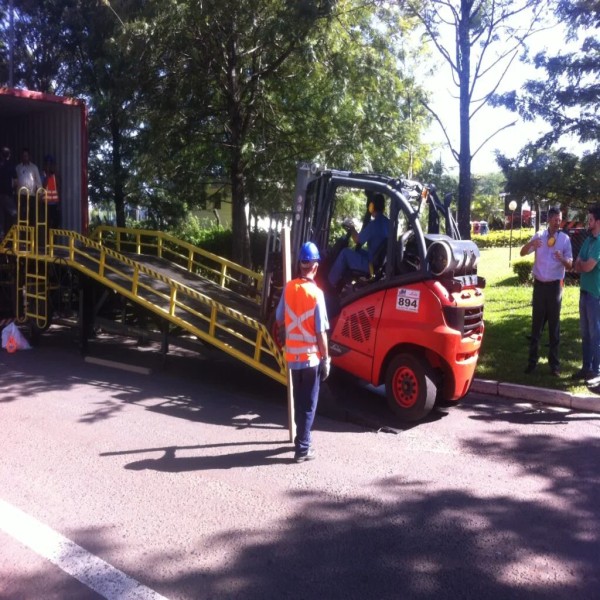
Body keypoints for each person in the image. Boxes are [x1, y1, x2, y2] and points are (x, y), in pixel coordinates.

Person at [276, 241, 330, 463]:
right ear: (315, 267)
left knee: (299, 403)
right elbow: (321, 334)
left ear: (300, 265)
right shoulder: (317, 294)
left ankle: (301, 440)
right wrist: (326, 359)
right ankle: (303, 448)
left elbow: (280, 318)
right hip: (310, 360)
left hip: (293, 358)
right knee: (308, 405)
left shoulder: (288, 288)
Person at [520, 206, 573, 375]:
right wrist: (531, 244)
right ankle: (532, 362)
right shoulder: (539, 237)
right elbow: (522, 253)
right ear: (549, 220)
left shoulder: (564, 239)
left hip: (555, 287)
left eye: (560, 220)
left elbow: (570, 264)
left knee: (554, 326)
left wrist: (562, 259)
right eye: (556, 219)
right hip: (540, 286)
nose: (558, 223)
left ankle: (554, 365)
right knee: (536, 325)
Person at [327, 192, 389, 290]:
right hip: (378, 262)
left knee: (344, 253)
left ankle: (328, 285)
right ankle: (344, 282)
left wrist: (352, 228)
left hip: (371, 266)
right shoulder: (387, 222)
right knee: (357, 251)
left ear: (371, 206)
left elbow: (358, 240)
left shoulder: (375, 224)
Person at [572, 204, 600, 383]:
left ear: (598, 221)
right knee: (585, 332)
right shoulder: (588, 240)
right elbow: (577, 263)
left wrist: (582, 265)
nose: (588, 222)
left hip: (595, 295)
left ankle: (596, 371)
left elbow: (587, 266)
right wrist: (583, 265)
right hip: (583, 293)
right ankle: (586, 368)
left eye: (590, 219)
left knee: (595, 333)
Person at [16, 148, 42, 223]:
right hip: (20, 195)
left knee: (31, 215)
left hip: (31, 195)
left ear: (29, 156)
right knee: (21, 216)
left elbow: (38, 181)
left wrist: (40, 193)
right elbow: (15, 180)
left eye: (26, 156)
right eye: (23, 156)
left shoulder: (34, 168)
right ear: (21, 157)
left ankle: (31, 233)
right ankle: (22, 233)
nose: (25, 157)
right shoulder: (18, 167)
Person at [0, 147, 17, 239]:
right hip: (7, 194)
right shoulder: (11, 165)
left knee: (1, 217)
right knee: (14, 214)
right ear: (9, 155)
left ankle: (1, 237)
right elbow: (15, 181)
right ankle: (13, 236)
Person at [42, 154, 60, 229]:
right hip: (46, 204)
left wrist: (59, 203)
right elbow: (43, 185)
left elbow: (58, 187)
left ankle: (53, 239)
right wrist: (47, 174)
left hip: (54, 204)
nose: (49, 166)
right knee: (47, 223)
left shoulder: (55, 175)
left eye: (51, 164)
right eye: (48, 164)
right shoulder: (43, 174)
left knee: (56, 222)